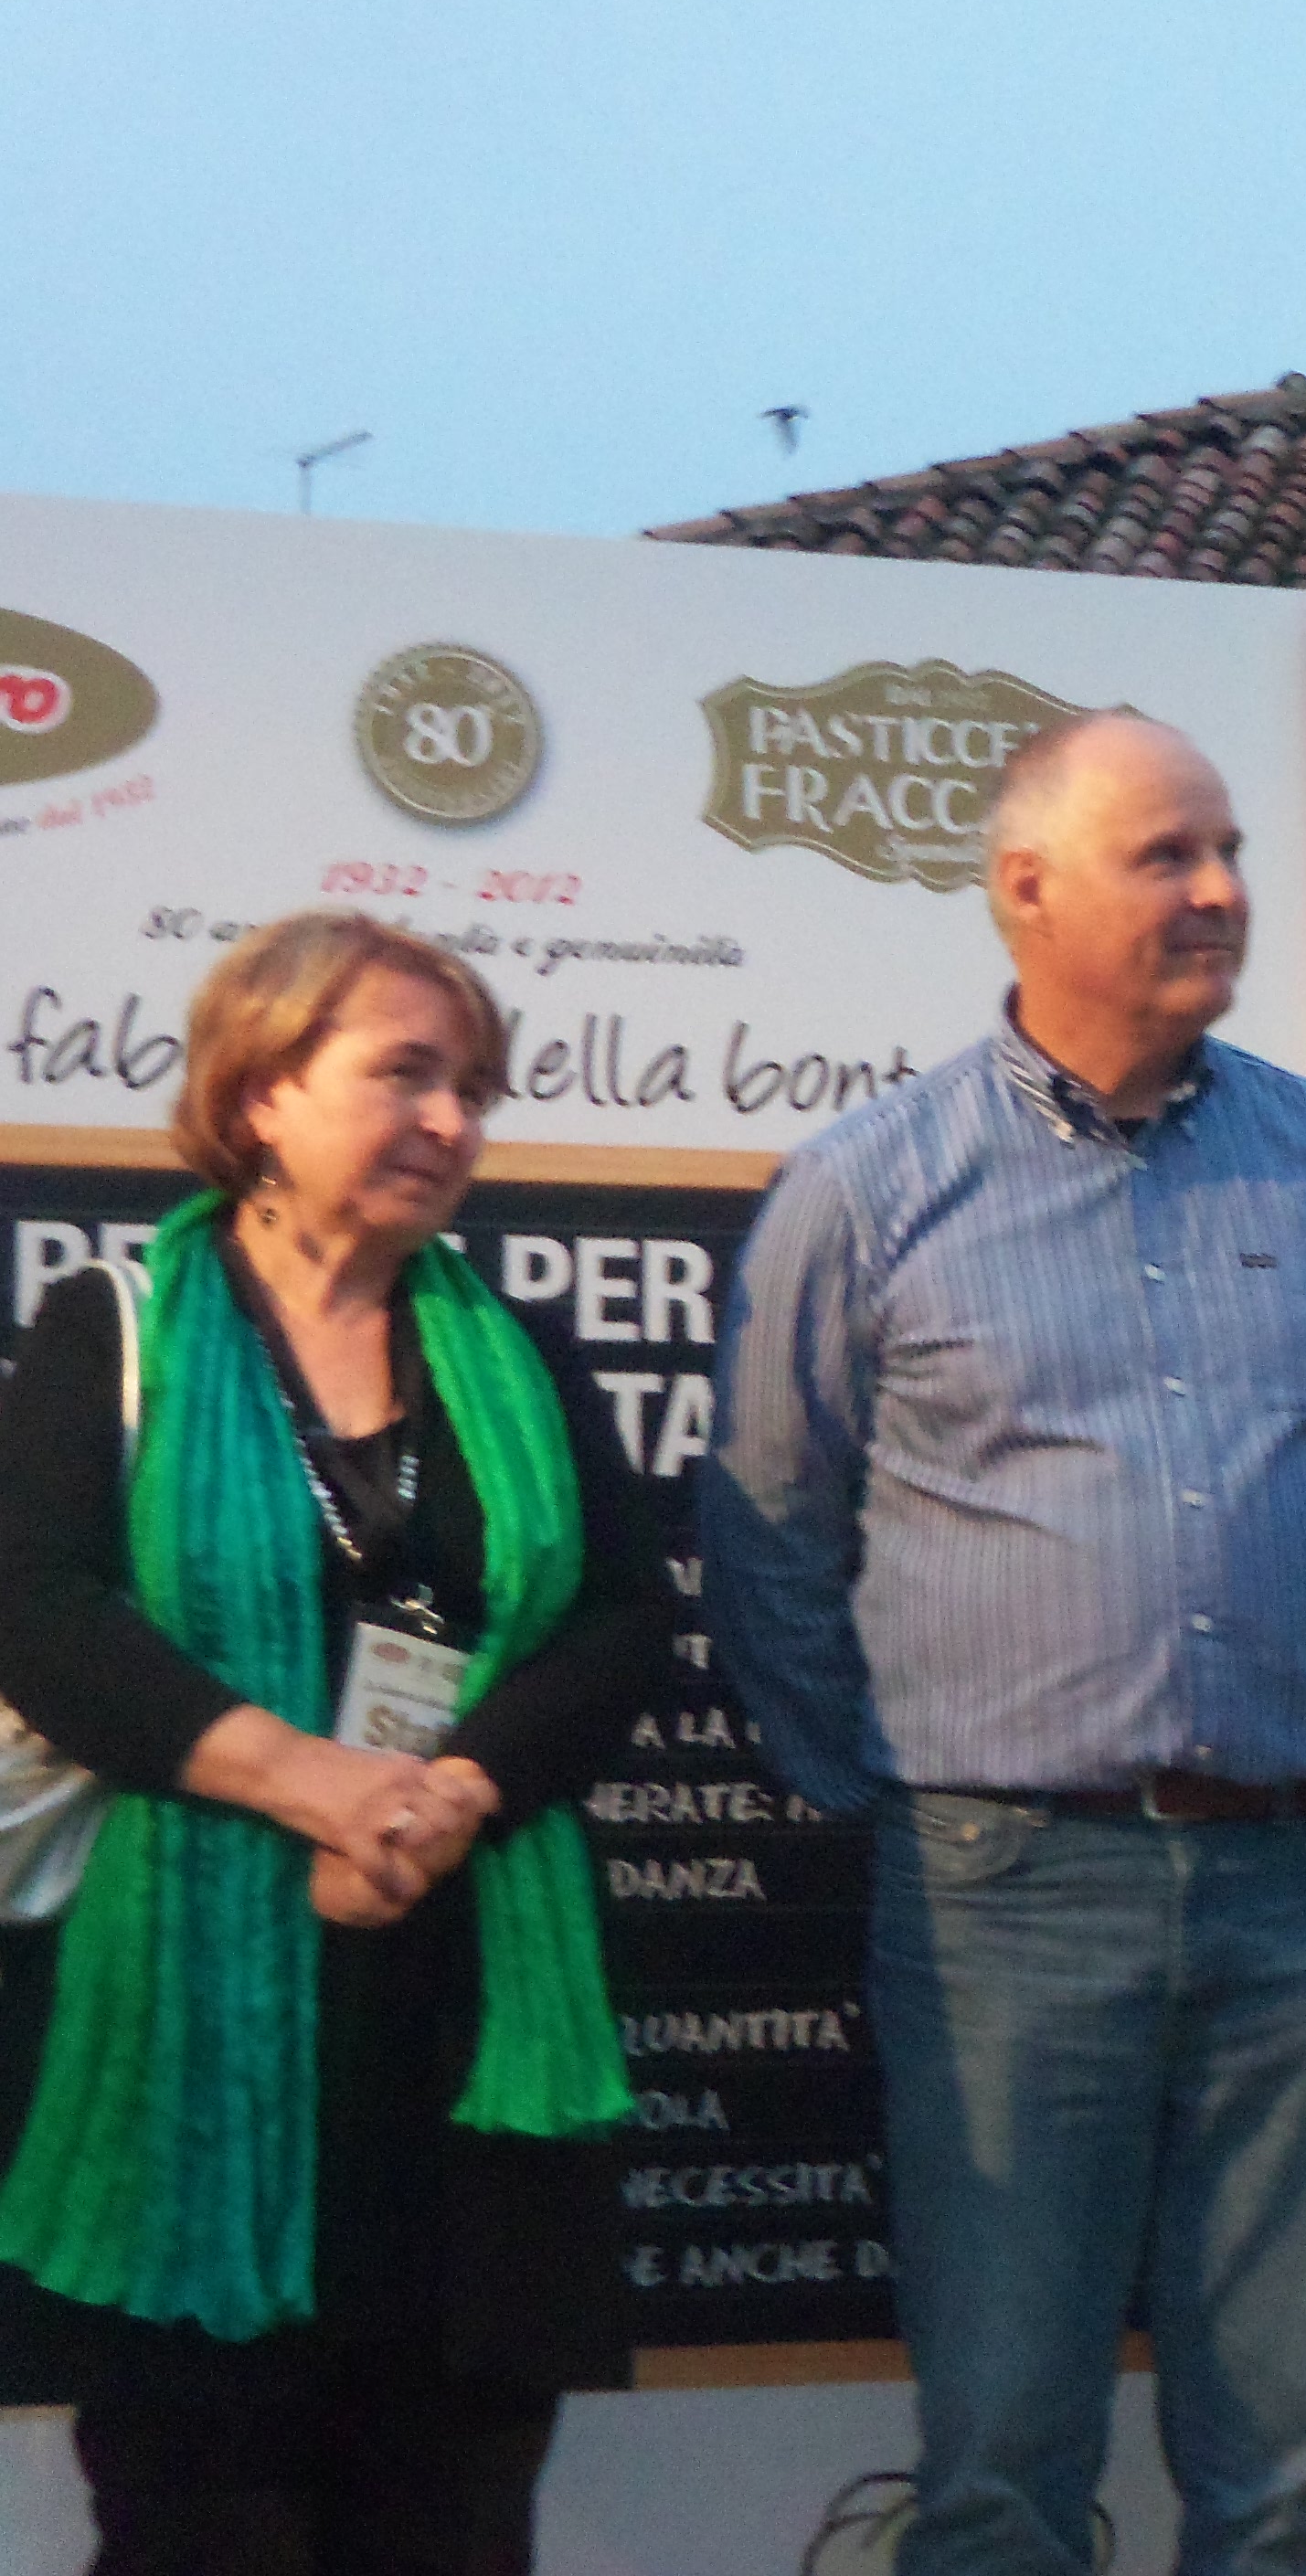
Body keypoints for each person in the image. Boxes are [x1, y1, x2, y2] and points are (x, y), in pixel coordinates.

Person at [704, 710, 1306, 2576]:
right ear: (1023, 889)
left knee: (1296, 2468)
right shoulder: (870, 1185)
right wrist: (906, 1786)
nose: (1219, 891)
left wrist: (1269, 1687)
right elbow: (770, 1535)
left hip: (1295, 1875)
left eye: (1228, 849)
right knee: (1004, 2463)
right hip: (1005, 1892)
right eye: (1165, 855)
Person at [0, 913, 664, 2575]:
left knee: (454, 2519)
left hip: (463, 2043)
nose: (450, 1121)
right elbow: (38, 1609)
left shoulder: (514, 1352)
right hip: (191, 2023)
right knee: (199, 2523)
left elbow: (617, 1621)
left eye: (474, 1090)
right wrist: (318, 1785)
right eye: (406, 1075)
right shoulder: (114, 1329)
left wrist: (450, 1797)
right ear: (264, 1093)